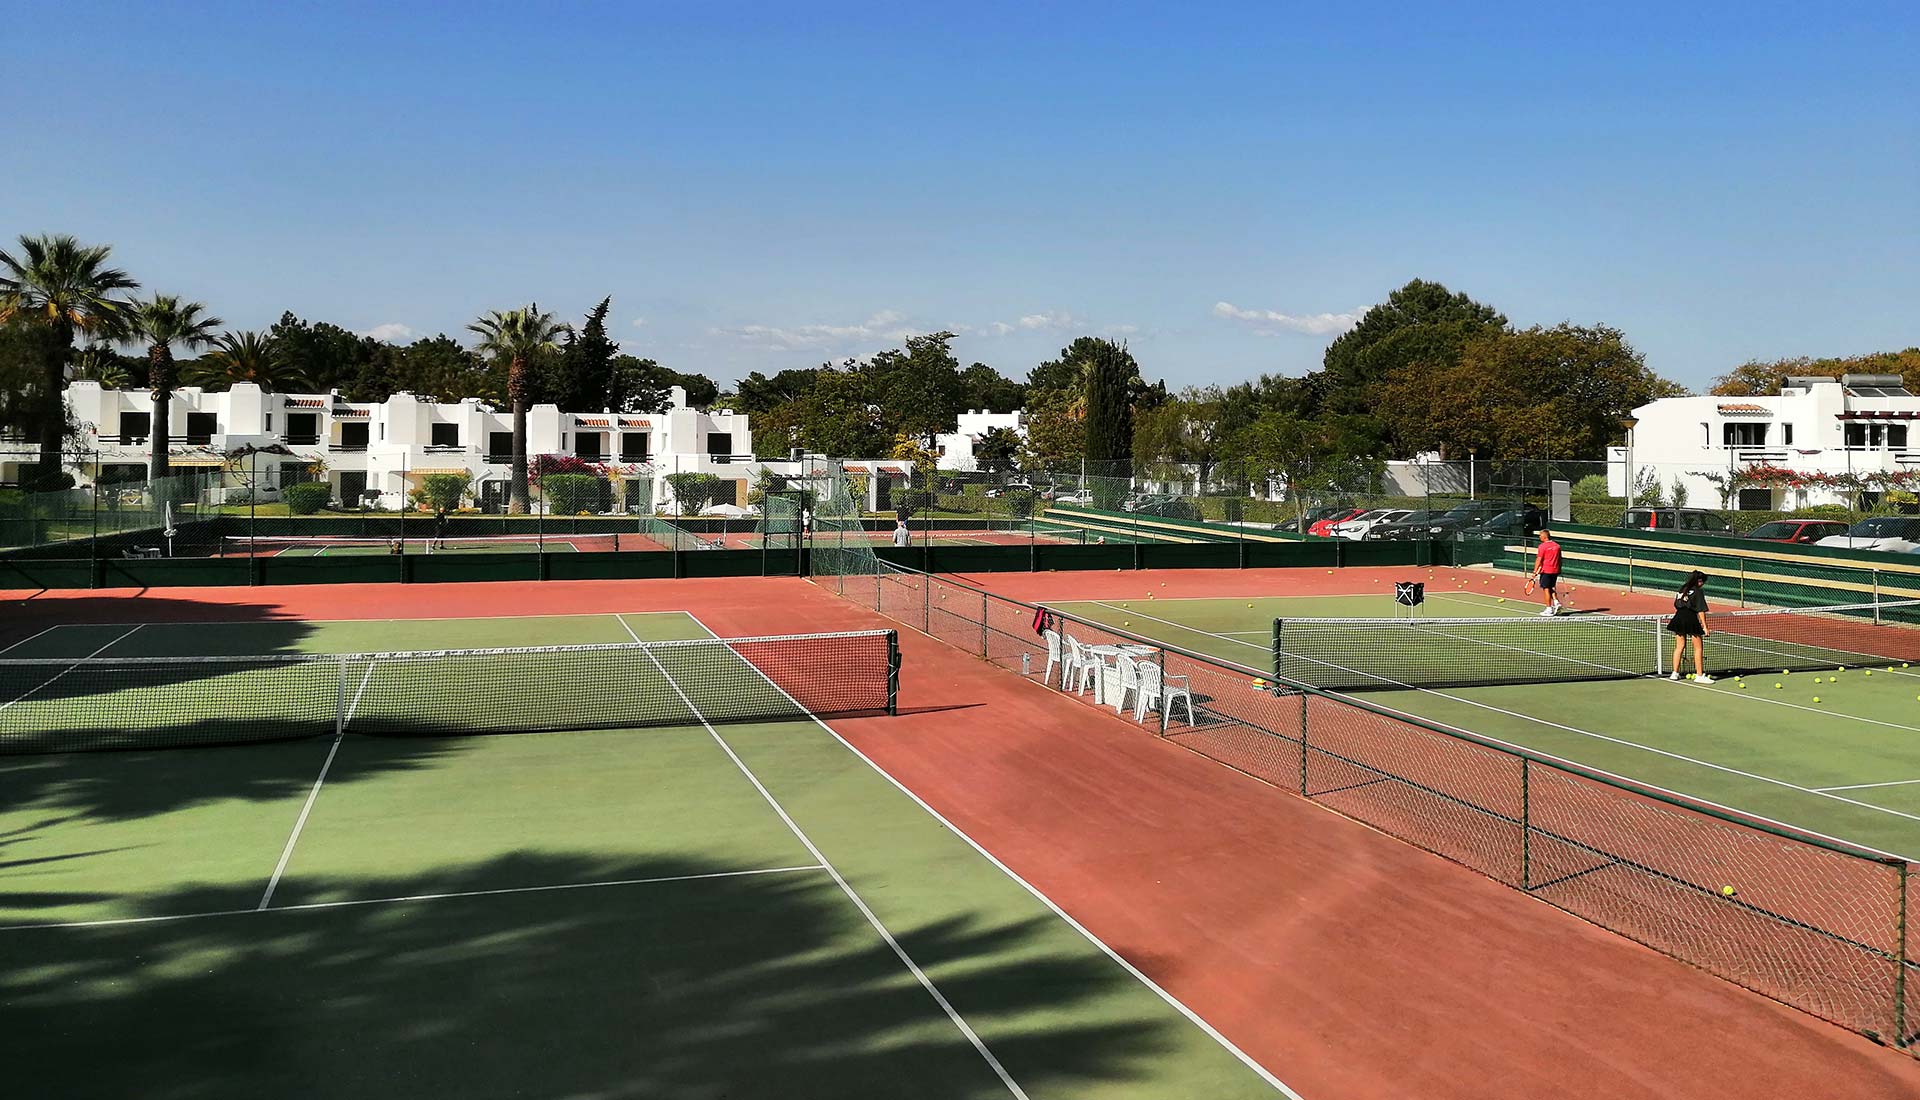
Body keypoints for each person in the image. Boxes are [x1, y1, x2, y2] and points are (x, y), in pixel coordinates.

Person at [1666, 569, 1712, 683]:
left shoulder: (1683, 588)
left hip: (1678, 617)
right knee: (1698, 648)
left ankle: (1674, 673)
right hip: (1690, 618)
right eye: (1702, 582)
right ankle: (1700, 676)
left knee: (1679, 647)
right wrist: (1705, 627)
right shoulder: (1698, 591)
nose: (1703, 584)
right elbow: (1701, 610)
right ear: (1699, 581)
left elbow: (1677, 604)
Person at [1534, 526, 1564, 616]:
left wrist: (1534, 571)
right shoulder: (1557, 546)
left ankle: (1549, 609)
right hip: (1555, 570)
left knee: (1546, 589)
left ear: (1544, 536)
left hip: (1546, 570)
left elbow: (1539, 559)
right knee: (1551, 587)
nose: (1539, 537)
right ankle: (1556, 602)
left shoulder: (1542, 546)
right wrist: (1559, 568)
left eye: (1540, 535)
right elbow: (1560, 559)